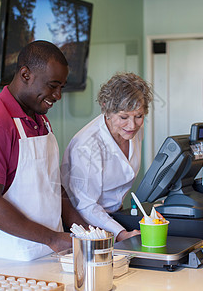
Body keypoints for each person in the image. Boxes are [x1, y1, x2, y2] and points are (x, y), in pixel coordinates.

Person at [0, 41, 87, 261]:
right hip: (6, 260)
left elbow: (52, 187)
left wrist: (88, 232)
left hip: (48, 253)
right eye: (52, 85)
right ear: (25, 74)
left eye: (62, 87)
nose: (58, 95)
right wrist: (53, 238)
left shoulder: (41, 119)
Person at [61, 72, 153, 242]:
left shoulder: (132, 133)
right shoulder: (87, 145)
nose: (132, 125)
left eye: (139, 116)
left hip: (114, 217)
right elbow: (86, 205)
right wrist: (120, 234)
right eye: (123, 117)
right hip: (87, 224)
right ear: (107, 109)